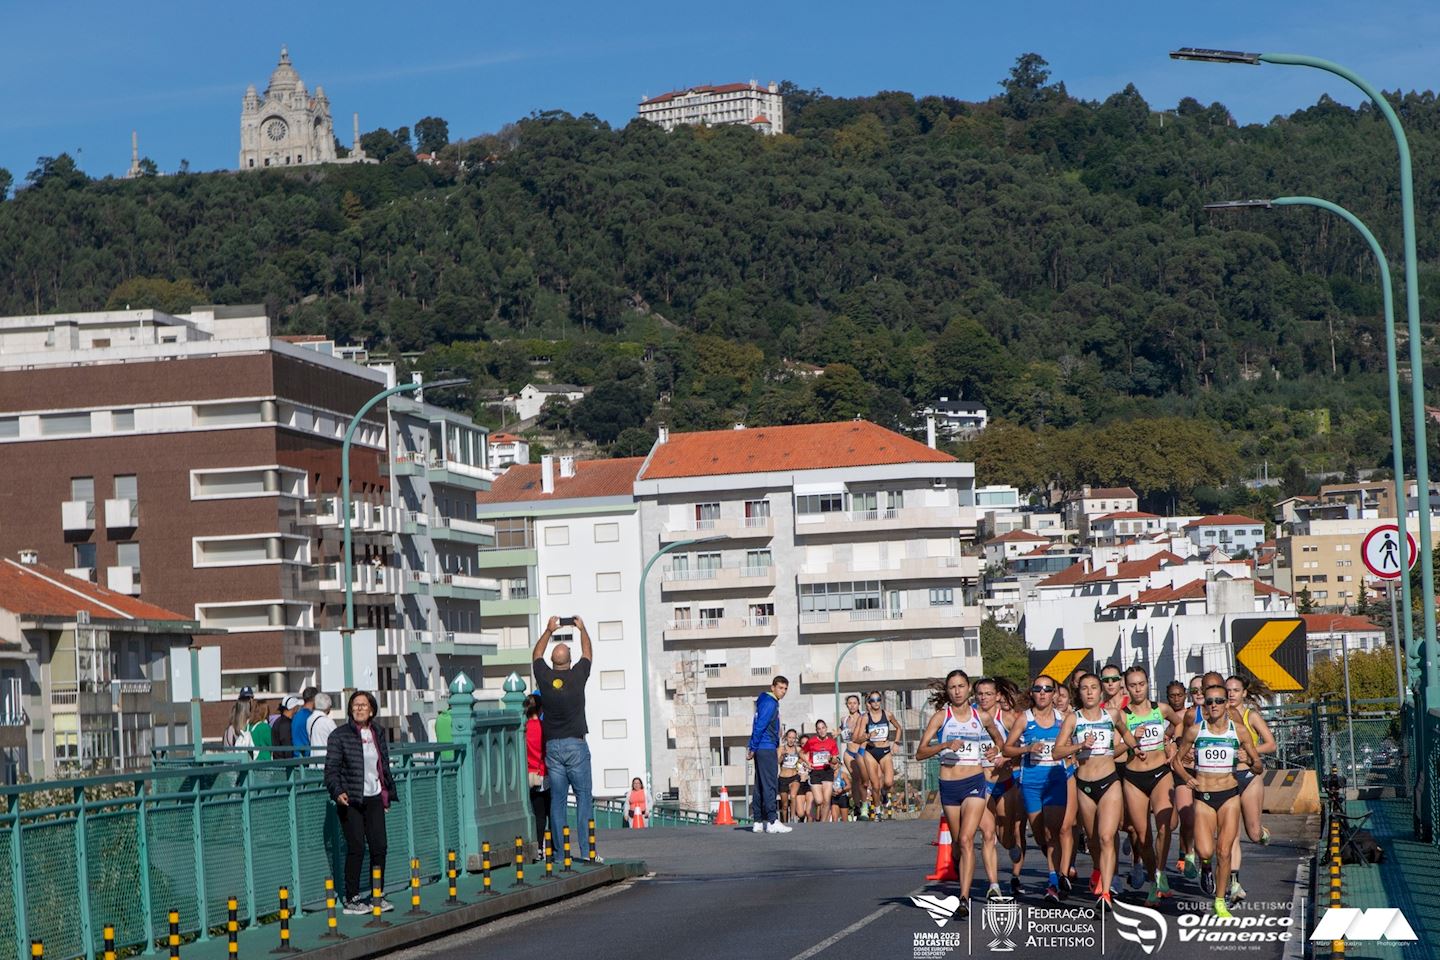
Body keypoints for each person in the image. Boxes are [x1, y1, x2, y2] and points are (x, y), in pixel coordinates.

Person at [916, 670, 1007, 910]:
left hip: (974, 782)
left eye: (961, 686)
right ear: (947, 691)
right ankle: (957, 860)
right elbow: (920, 753)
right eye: (952, 687)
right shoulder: (940, 717)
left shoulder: (982, 716)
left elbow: (1000, 742)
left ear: (968, 688)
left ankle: (964, 898)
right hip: (949, 785)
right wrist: (944, 744)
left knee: (968, 839)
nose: (957, 691)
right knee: (958, 842)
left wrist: (995, 751)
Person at [1171, 682, 1262, 918]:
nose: (1213, 705)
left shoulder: (1239, 731)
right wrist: (1186, 778)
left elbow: (1259, 767)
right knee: (1205, 850)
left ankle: (1219, 901)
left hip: (1229, 796)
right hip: (1203, 797)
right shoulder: (1195, 730)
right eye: (1209, 701)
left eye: (1219, 701)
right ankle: (1205, 868)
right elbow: (1177, 762)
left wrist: (1249, 759)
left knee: (1224, 851)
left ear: (1226, 704)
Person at [1052, 673, 1139, 906]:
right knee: (1092, 840)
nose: (1089, 692)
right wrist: (1080, 745)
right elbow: (1056, 752)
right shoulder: (1073, 719)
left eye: (1093, 688)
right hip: (1084, 785)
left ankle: (1106, 893)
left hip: (1109, 781)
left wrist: (1135, 748)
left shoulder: (1111, 715)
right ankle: (1098, 868)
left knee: (1107, 836)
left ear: (1101, 692)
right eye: (1084, 688)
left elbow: (1126, 732)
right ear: (1078, 693)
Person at [323, 690, 398, 914]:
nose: (359, 709)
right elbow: (331, 769)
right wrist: (337, 792)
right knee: (356, 846)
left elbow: (383, 765)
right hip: (351, 799)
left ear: (372, 710)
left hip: (374, 796)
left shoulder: (377, 731)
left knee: (379, 846)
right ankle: (351, 898)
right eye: (355, 705)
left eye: (364, 705)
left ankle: (377, 894)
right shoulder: (339, 735)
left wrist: (386, 794)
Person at [533, 616, 599, 861]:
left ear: (552, 661)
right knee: (583, 799)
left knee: (557, 803)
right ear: (570, 661)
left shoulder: (544, 677)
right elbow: (589, 653)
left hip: (553, 747)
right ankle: (587, 851)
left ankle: (561, 854)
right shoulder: (578, 675)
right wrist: (582, 628)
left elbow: (536, 655)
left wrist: (549, 630)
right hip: (576, 745)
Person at [1002, 674, 1072, 902]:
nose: (1043, 693)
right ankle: (1058, 869)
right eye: (1038, 689)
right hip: (1031, 783)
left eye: (1048, 689)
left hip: (1055, 781)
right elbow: (1007, 749)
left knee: (1054, 830)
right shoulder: (1024, 719)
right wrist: (1028, 748)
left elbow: (1077, 744)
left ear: (1054, 694)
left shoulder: (1065, 718)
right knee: (1041, 834)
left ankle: (1054, 880)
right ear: (1032, 693)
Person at [1119, 666, 1183, 904]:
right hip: (1134, 777)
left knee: (1165, 827)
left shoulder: (1161, 709)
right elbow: (1115, 749)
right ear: (1127, 687)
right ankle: (1153, 876)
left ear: (1148, 684)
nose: (1137, 689)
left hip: (1160, 773)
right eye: (1133, 685)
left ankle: (1159, 874)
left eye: (1141, 684)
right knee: (1142, 835)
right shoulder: (1122, 715)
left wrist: (1171, 741)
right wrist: (1132, 739)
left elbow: (1179, 723)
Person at [1224, 675, 1275, 902]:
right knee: (1231, 833)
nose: (1231, 694)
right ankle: (1235, 884)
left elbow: (1271, 744)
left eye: (1236, 690)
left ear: (1244, 693)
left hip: (1249, 776)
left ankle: (1263, 833)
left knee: (1253, 834)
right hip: (1227, 779)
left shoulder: (1250, 716)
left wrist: (1251, 751)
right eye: (1228, 691)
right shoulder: (1219, 716)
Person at [975, 677, 1025, 896]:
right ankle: (993, 885)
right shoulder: (970, 718)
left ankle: (1012, 844)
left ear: (997, 696)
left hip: (1005, 782)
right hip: (979, 783)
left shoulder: (1007, 718)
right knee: (987, 834)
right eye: (980, 694)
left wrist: (1004, 755)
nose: (984, 698)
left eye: (988, 694)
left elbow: (1020, 750)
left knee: (1005, 836)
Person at [746, 676, 791, 834]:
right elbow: (759, 726)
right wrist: (752, 747)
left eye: (785, 689)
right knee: (771, 784)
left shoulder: (766, 701)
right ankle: (772, 821)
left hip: (763, 747)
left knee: (759, 785)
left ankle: (758, 821)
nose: (783, 691)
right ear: (773, 687)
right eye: (780, 688)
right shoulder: (770, 703)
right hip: (766, 747)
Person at [856, 691, 902, 819]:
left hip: (885, 751)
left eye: (878, 699)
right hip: (870, 752)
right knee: (875, 785)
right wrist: (867, 736)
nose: (876, 702)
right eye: (873, 700)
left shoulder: (887, 715)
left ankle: (884, 792)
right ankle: (877, 811)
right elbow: (858, 738)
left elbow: (899, 728)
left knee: (888, 781)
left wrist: (896, 742)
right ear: (869, 703)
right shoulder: (865, 717)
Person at [523, 693, 549, 857]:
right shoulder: (543, 726)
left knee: (532, 812)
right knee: (544, 815)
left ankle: (535, 847)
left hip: (527, 773)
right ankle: (544, 847)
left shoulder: (523, 728)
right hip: (542, 773)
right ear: (540, 709)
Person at [840, 695, 870, 817]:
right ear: (847, 705)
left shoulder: (864, 717)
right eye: (850, 703)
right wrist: (837, 732)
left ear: (858, 704)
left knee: (864, 780)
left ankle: (864, 803)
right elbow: (841, 730)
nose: (852, 705)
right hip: (849, 753)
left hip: (861, 752)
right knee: (855, 779)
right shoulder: (844, 719)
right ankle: (858, 806)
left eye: (854, 703)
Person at [804, 720, 839, 823]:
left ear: (826, 728)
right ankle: (814, 808)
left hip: (827, 771)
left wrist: (831, 759)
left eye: (823, 728)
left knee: (827, 800)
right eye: (819, 729)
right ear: (816, 730)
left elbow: (835, 759)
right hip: (815, 772)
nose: (821, 730)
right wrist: (807, 762)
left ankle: (823, 823)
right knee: (819, 800)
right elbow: (802, 752)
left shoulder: (832, 742)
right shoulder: (811, 741)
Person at [778, 729, 803, 824]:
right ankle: (784, 821)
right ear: (786, 738)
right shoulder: (781, 748)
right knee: (784, 804)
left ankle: (792, 818)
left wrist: (803, 763)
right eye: (789, 737)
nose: (791, 740)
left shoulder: (798, 749)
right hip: (783, 778)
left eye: (793, 738)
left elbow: (803, 758)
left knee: (793, 796)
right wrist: (782, 756)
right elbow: (778, 762)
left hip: (794, 777)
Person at [292, 687, 318, 757]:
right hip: (306, 757)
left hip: (296, 756)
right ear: (314, 699)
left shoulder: (296, 716)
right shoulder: (310, 717)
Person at [830, 757, 850, 822]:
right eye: (832, 764)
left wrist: (842, 790)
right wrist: (831, 792)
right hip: (834, 798)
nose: (833, 765)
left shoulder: (843, 774)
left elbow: (849, 785)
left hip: (843, 797)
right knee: (834, 819)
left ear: (839, 764)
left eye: (835, 763)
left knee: (845, 821)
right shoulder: (829, 775)